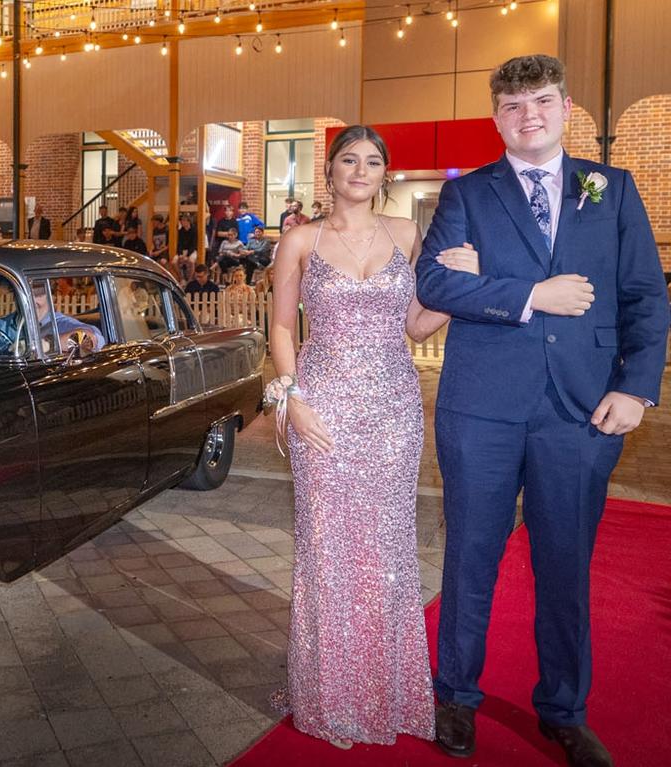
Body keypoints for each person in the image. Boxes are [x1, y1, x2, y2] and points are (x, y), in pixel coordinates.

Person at [416, 55, 668, 767]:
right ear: (497, 116)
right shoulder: (466, 194)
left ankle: (563, 709)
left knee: (566, 564)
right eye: (515, 104)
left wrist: (637, 387)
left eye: (543, 101)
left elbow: (647, 294)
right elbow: (432, 280)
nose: (530, 115)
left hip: (581, 411)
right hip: (481, 409)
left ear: (565, 108)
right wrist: (531, 296)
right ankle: (455, 696)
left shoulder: (611, 188)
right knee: (471, 556)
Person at [268, 125, 479, 748]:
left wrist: (459, 290)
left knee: (386, 549)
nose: (360, 170)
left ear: (384, 173)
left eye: (373, 161)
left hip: (392, 411)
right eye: (349, 160)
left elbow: (416, 326)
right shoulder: (299, 240)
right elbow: (282, 328)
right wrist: (292, 396)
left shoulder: (408, 235)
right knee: (326, 545)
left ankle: (386, 688)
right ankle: (328, 691)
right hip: (322, 406)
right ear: (329, 170)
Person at [0, 283, 105, 356]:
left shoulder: (62, 324)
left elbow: (92, 338)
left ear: (51, 297)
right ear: (15, 296)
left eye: (38, 294)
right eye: (24, 293)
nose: (31, 300)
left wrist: (44, 345)